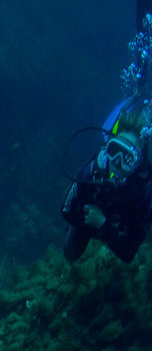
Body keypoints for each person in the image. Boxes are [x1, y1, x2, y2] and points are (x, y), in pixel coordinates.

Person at [61, 98, 152, 262]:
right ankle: (136, 95)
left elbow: (128, 253)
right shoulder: (95, 170)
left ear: (139, 161)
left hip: (119, 220)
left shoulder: (144, 192)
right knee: (71, 253)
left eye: (128, 158)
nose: (117, 162)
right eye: (115, 150)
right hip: (94, 218)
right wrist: (95, 225)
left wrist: (103, 225)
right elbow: (66, 211)